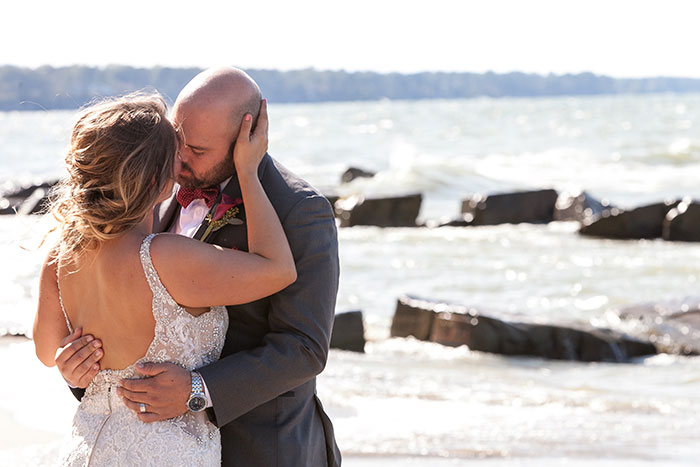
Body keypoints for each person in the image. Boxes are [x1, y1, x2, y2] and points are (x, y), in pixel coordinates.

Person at [55, 67, 342, 466]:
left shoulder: (300, 210)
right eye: (177, 141)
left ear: (248, 136)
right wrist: (78, 371)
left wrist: (197, 390)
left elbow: (304, 348)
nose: (179, 159)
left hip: (259, 448)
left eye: (198, 150)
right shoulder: (154, 189)